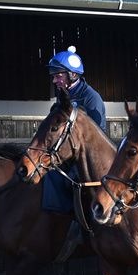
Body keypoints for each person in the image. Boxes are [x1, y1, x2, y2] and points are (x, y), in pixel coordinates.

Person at [42, 46, 106, 215]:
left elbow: (97, 136)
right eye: (54, 77)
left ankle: (75, 218)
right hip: (68, 153)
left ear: (73, 75)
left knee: (69, 180)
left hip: (88, 157)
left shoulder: (91, 98)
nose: (55, 81)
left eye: (58, 76)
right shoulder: (62, 94)